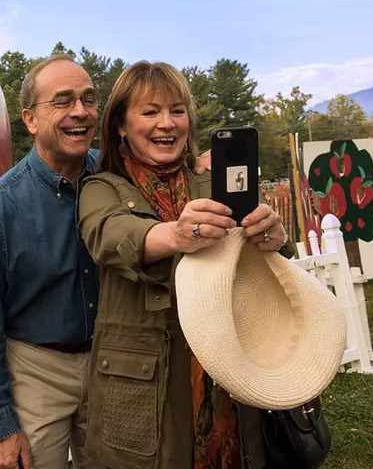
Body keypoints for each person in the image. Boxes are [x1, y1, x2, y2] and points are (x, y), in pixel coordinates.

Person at [77, 60, 297, 468]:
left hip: (229, 376)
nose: (167, 123)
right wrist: (177, 234)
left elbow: (266, 270)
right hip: (146, 388)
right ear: (121, 125)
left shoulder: (212, 181)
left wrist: (276, 241)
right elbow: (111, 235)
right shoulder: (101, 188)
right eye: (150, 111)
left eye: (177, 110)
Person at [0, 54, 102, 469]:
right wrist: (4, 425)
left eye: (88, 99)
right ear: (30, 119)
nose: (80, 111)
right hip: (36, 371)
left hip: (112, 364)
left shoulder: (117, 178)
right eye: (62, 101)